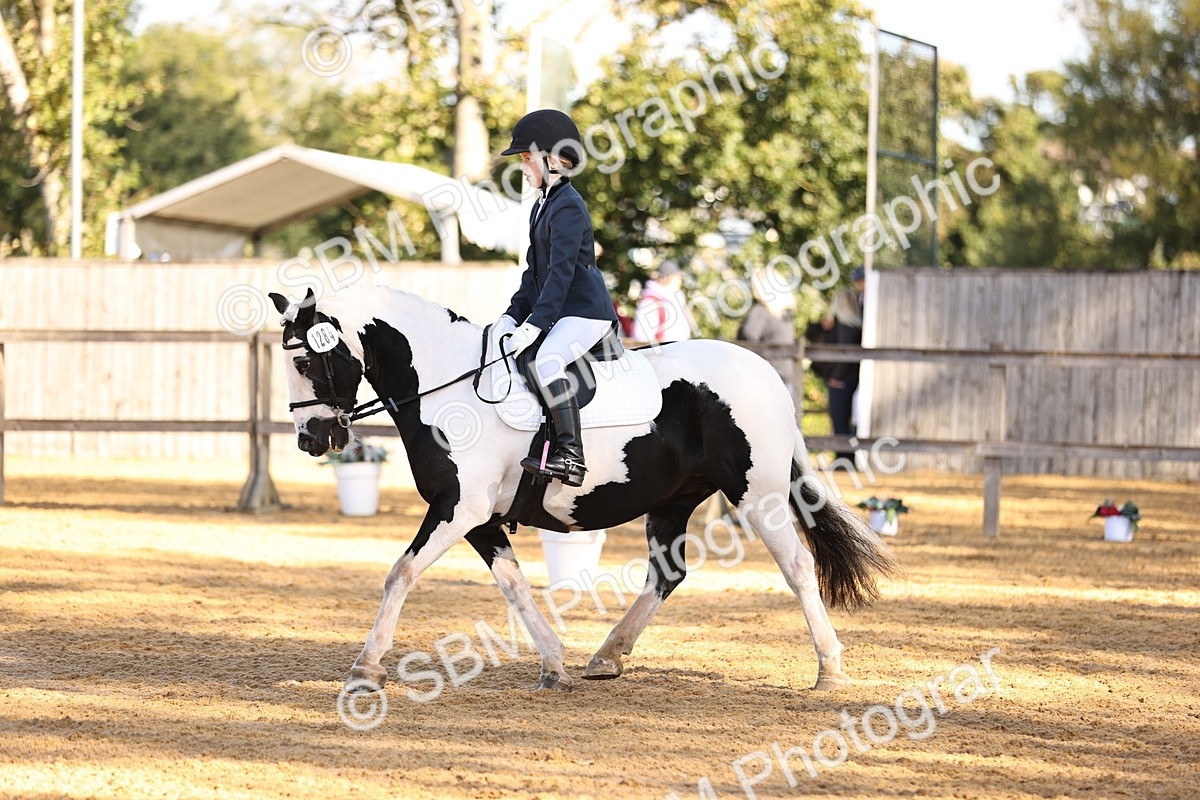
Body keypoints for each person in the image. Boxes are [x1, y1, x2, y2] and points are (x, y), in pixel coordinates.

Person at [495, 109, 619, 488]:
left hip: (585, 311)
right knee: (525, 357)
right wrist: (511, 316)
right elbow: (534, 275)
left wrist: (535, 324)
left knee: (545, 360)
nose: (523, 166)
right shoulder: (541, 205)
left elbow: (561, 274)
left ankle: (571, 456)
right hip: (563, 311)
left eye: (526, 158)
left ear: (550, 158)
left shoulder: (568, 205)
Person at [824, 266, 865, 462]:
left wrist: (835, 377)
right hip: (850, 378)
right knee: (844, 419)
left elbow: (844, 354)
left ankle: (843, 459)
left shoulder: (846, 326)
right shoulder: (853, 325)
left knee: (839, 418)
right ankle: (844, 457)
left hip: (843, 379)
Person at [737, 269, 797, 393]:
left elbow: (747, 339)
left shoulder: (760, 311)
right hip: (785, 379)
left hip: (764, 379)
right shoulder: (786, 315)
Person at [632, 260, 693, 343]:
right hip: (662, 353)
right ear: (668, 278)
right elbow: (641, 339)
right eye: (677, 277)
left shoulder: (676, 298)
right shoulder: (650, 303)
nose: (680, 281)